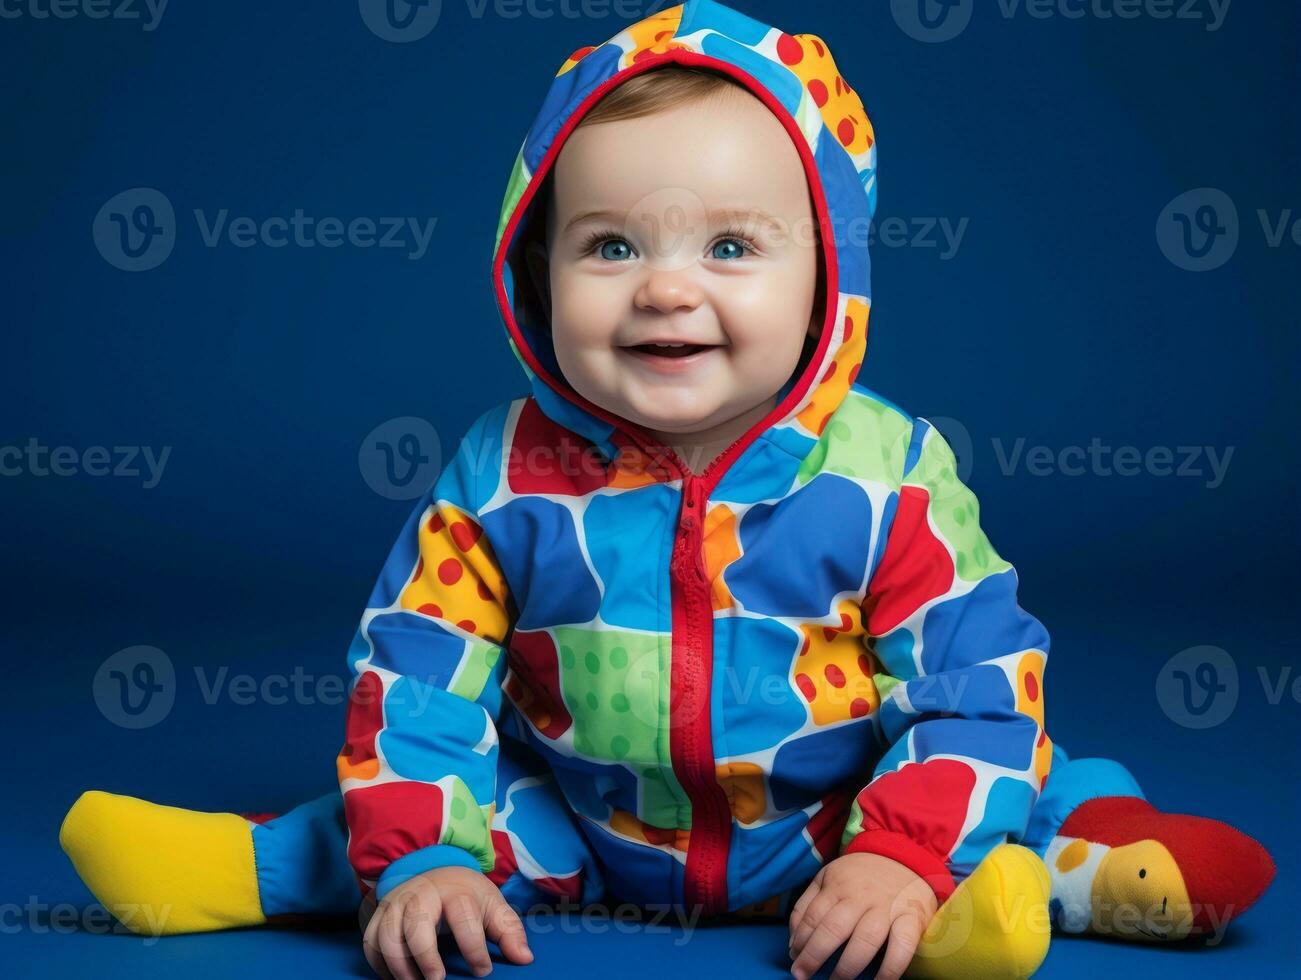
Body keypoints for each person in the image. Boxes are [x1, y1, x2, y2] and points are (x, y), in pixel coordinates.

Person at [59, 3, 1274, 980]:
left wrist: (898, 853)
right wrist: (426, 852)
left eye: (731, 247)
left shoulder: (886, 473)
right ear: (538, 270)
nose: (664, 290)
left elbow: (973, 685)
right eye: (611, 245)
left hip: (833, 817)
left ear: (827, 276)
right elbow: (418, 670)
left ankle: (1077, 869)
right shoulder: (501, 470)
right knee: (414, 829)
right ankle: (240, 868)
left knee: (1004, 789)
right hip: (595, 822)